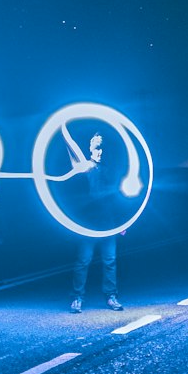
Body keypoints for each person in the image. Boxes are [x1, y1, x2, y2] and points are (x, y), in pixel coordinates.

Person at [65, 129, 124, 314]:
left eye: (102, 148)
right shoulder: (85, 167)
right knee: (83, 260)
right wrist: (63, 129)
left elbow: (117, 196)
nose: (100, 151)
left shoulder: (110, 170)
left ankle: (111, 296)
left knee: (110, 261)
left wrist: (123, 222)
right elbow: (71, 147)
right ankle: (77, 298)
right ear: (91, 148)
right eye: (97, 148)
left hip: (107, 223)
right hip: (88, 224)